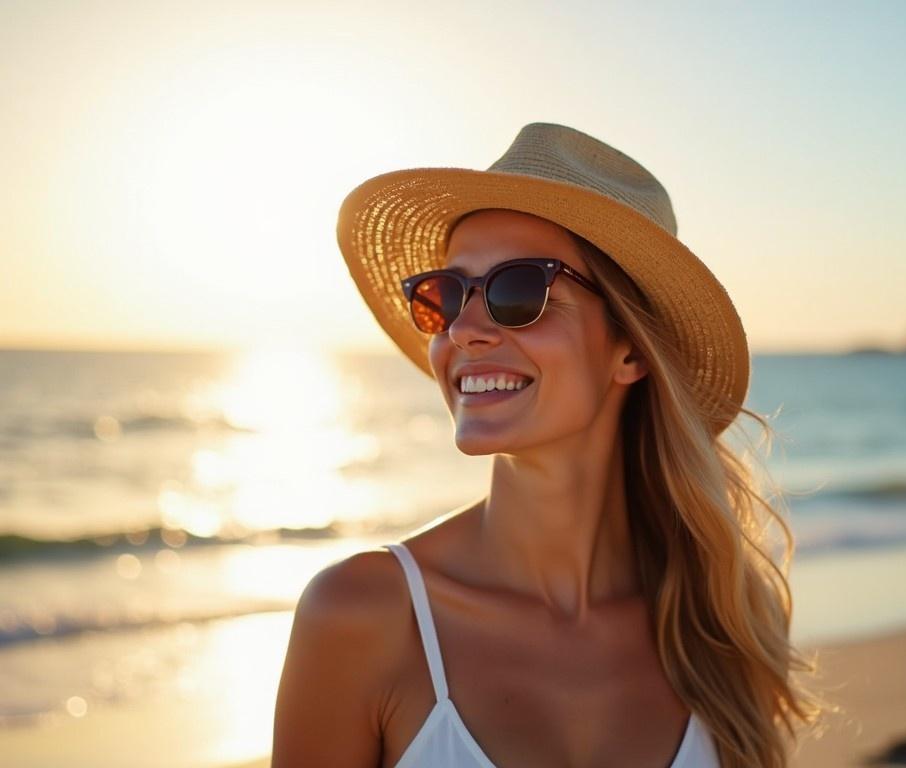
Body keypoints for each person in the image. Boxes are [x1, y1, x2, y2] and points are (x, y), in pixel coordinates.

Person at [271, 123, 826, 768]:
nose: (465, 330)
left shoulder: (719, 626)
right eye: (446, 295)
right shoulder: (363, 617)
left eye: (519, 290)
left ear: (630, 349)